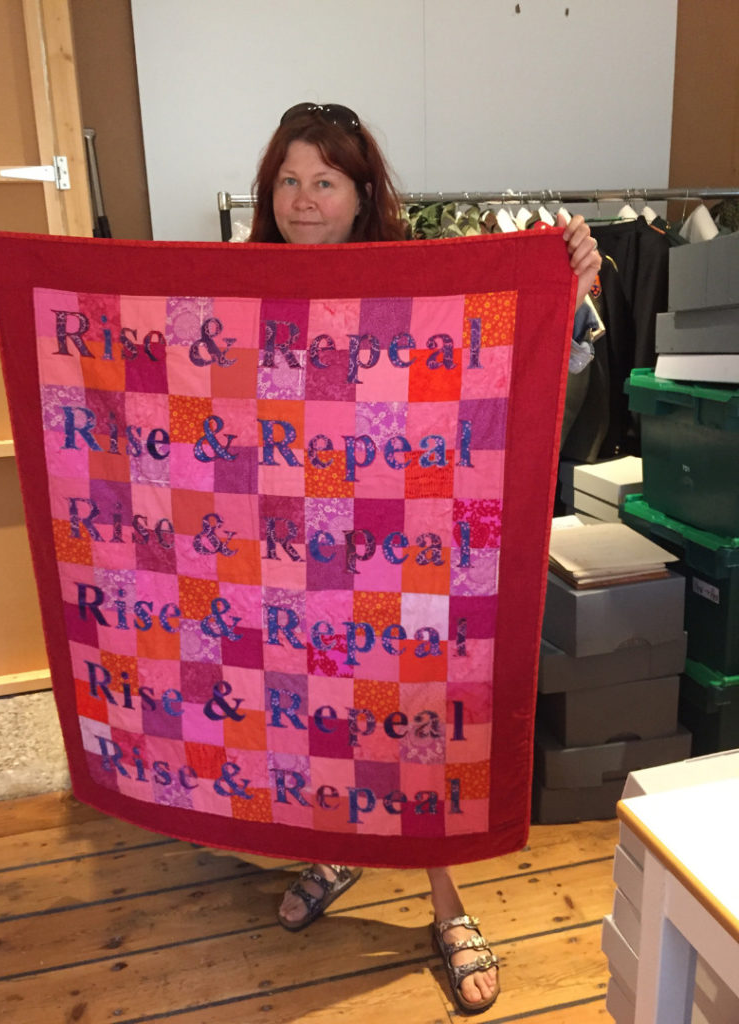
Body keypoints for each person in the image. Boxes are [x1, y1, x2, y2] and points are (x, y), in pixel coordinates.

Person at [245, 102, 602, 1016]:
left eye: (324, 179)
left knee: (414, 718)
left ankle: (446, 904)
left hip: (399, 548)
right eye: (288, 179)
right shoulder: (240, 292)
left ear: (364, 195)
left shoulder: (414, 292)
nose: (302, 199)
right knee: (312, 709)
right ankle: (337, 849)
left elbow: (503, 384)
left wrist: (566, 290)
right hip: (284, 550)